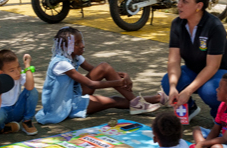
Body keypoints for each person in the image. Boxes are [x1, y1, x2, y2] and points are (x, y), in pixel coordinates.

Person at [35, 26, 163, 125]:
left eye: (81, 41)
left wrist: (124, 76)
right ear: (65, 46)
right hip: (64, 105)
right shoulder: (61, 63)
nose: (82, 45)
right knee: (114, 100)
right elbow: (90, 83)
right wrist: (119, 82)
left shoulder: (74, 57)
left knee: (104, 66)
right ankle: (153, 100)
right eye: (77, 43)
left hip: (73, 92)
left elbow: (100, 70)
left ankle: (150, 100)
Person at [163, 0, 227, 120]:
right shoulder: (177, 24)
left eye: (185, 1)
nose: (179, 5)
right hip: (193, 70)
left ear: (199, 6)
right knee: (168, 81)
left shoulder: (214, 26)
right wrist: (173, 87)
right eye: (179, 0)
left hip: (219, 72)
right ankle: (189, 108)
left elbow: (212, 66)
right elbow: (173, 61)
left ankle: (222, 116)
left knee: (209, 90)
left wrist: (188, 90)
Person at [0, 49, 38, 135]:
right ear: (1, 73)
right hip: (1, 111)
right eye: (12, 70)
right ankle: (2, 128)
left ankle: (27, 121)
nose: (17, 72)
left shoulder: (19, 76)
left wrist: (27, 66)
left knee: (32, 91)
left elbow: (30, 87)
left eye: (18, 67)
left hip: (17, 109)